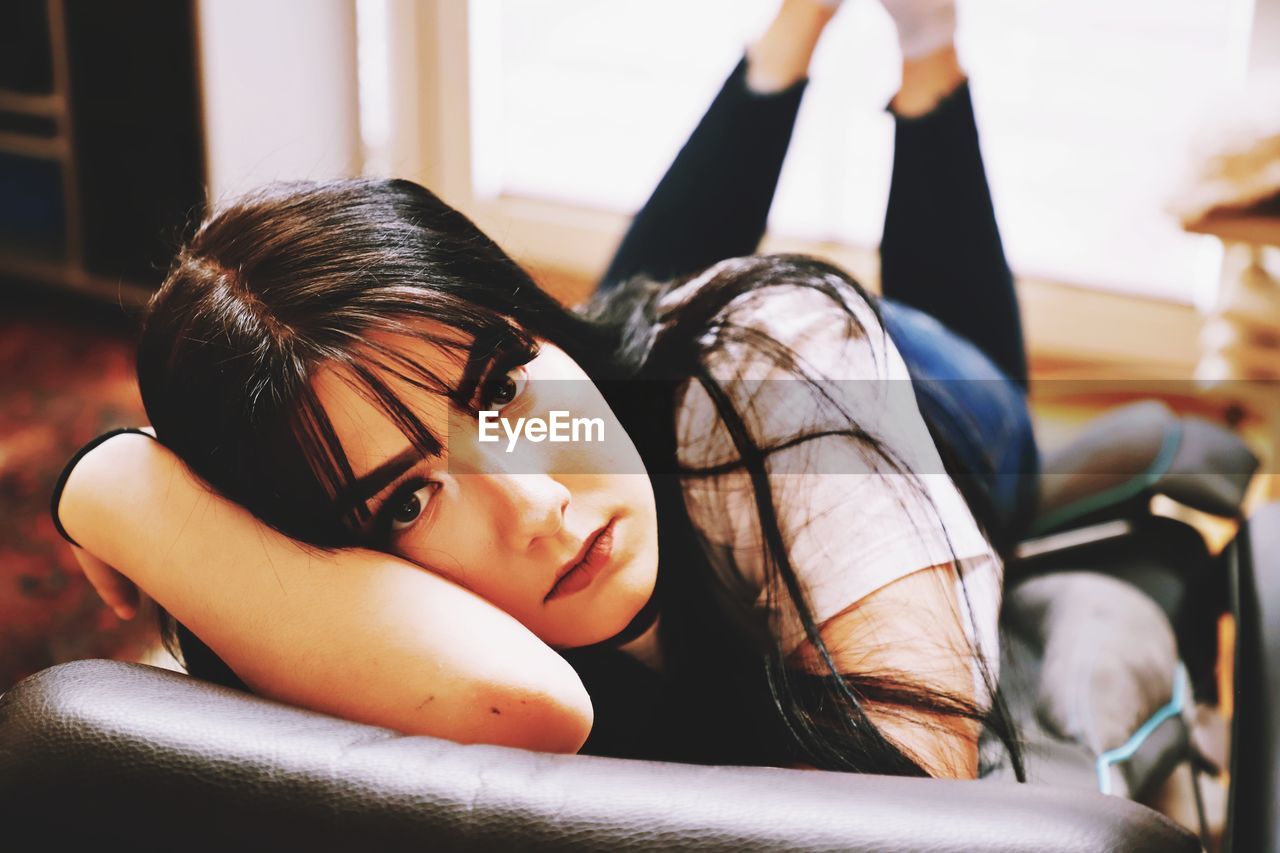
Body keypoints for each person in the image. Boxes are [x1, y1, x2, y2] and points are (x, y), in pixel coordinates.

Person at [51, 0, 1036, 781]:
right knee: (625, 318)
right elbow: (522, 702)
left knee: (723, 325)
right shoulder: (550, 421)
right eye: (405, 498)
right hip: (629, 365)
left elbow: (911, 784)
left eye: (500, 384)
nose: (534, 504)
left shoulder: (783, 360)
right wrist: (109, 482)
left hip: (930, 402)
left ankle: (920, 45)